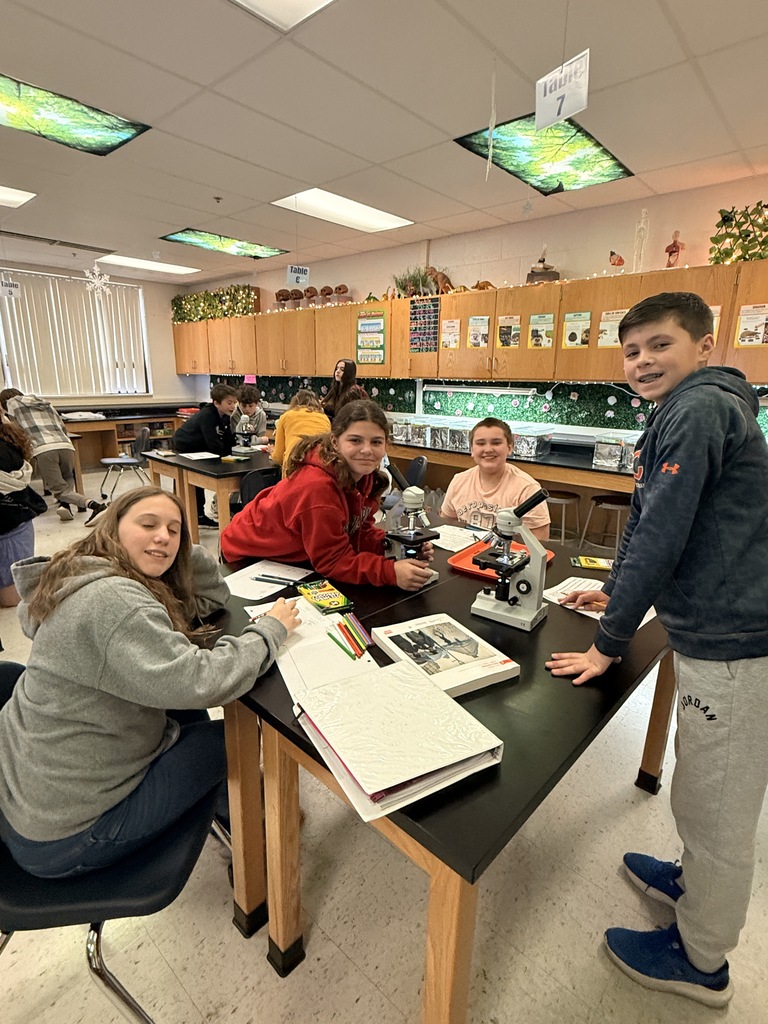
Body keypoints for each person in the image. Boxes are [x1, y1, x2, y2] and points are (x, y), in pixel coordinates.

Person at [546, 292, 768, 1007]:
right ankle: (689, 880)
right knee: (701, 776)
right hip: (712, 629)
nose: (642, 361)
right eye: (632, 350)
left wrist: (609, 644)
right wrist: (614, 594)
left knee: (719, 804)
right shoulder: (693, 406)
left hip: (733, 641)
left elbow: (664, 537)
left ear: (704, 346)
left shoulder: (699, 409)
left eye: (660, 345)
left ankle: (701, 960)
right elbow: (654, 527)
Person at [0, 486, 299, 878]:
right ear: (112, 527)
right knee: (232, 736)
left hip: (31, 801)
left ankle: (226, 809)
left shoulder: (83, 573)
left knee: (182, 709)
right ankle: (253, 853)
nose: (164, 536)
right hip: (66, 839)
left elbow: (210, 599)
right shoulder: (114, 603)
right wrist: (271, 631)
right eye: (148, 524)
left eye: (175, 530)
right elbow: (205, 681)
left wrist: (172, 548)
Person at [222, 400, 434, 591]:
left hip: (299, 554)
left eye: (376, 442)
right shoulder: (317, 489)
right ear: (335, 442)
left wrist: (396, 545)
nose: (367, 450)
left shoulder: (364, 477)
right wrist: (390, 572)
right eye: (355, 441)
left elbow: (358, 532)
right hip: (247, 557)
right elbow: (332, 562)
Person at [0, 389, 107, 525]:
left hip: (44, 449)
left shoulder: (11, 405)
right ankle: (65, 506)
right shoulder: (45, 404)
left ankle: (96, 507)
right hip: (66, 446)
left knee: (60, 491)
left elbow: (14, 431)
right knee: (67, 477)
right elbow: (62, 427)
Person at [440, 418, 550, 540]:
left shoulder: (527, 489)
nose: (488, 449)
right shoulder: (459, 481)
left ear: (510, 447)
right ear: (471, 449)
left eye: (496, 443)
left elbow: (541, 540)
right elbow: (446, 525)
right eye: (480, 443)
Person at [172, 384, 237, 526]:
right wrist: (224, 456)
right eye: (229, 403)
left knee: (197, 483)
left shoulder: (225, 416)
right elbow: (212, 442)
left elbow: (227, 440)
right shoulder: (208, 415)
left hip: (200, 449)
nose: (233, 406)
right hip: (185, 446)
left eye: (234, 402)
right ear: (216, 403)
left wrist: (230, 454)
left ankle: (199, 515)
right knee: (193, 480)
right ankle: (191, 514)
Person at [0, 410, 45, 607]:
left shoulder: (4, 451)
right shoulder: (9, 438)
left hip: (11, 526)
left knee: (11, 597)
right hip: (16, 519)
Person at [270, 389, 330, 474]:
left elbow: (278, 457)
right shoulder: (324, 418)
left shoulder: (286, 416)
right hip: (320, 465)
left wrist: (272, 452)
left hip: (293, 464)